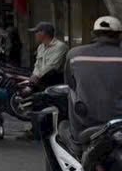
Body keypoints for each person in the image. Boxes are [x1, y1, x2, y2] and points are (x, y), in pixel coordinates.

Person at [64, 15, 122, 150]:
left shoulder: (74, 55)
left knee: (71, 92)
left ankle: (77, 143)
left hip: (86, 122)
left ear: (93, 34)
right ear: (119, 35)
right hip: (118, 120)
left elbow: (70, 83)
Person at [27, 22, 68, 89]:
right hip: (41, 80)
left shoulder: (60, 46)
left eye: (36, 32)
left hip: (55, 81)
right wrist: (34, 75)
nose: (35, 35)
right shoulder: (41, 47)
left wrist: (37, 76)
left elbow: (52, 66)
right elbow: (37, 64)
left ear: (43, 33)